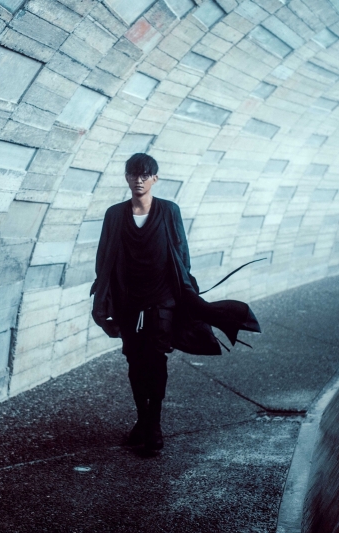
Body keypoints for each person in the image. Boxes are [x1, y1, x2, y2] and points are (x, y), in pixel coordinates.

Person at [91, 153, 261, 452]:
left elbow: (182, 254)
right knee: (134, 359)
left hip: (162, 299)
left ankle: (153, 424)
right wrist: (103, 301)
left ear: (155, 178)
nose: (139, 180)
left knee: (156, 358)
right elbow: (103, 258)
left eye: (145, 175)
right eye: (133, 174)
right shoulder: (114, 214)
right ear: (126, 177)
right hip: (128, 300)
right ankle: (142, 419)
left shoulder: (169, 210)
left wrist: (187, 293)